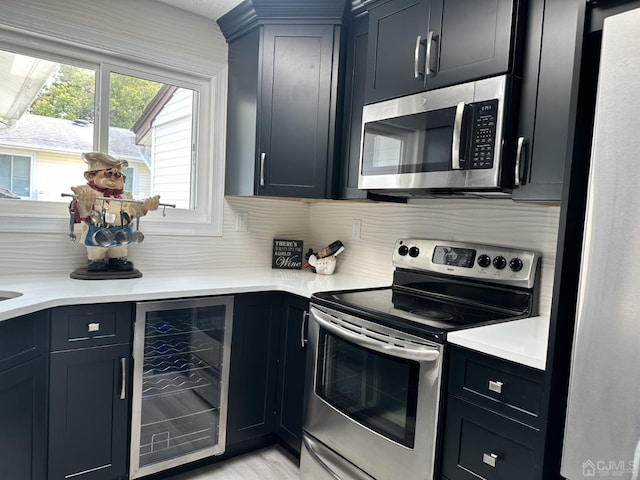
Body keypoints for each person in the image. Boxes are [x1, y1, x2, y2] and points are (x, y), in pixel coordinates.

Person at [69, 152, 160, 272]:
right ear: (90, 176)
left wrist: (146, 206)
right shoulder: (86, 192)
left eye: (118, 175)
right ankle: (96, 260)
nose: (113, 178)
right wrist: (82, 203)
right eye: (108, 173)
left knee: (120, 247)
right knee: (96, 248)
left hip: (121, 230)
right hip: (96, 229)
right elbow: (82, 213)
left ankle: (118, 259)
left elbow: (134, 210)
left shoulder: (125, 196)